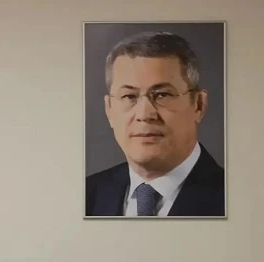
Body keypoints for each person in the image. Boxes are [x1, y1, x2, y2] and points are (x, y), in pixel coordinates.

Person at [86, 31, 225, 217]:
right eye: (129, 96)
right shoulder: (85, 195)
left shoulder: (236, 197)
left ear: (199, 105)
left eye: (162, 95)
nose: (145, 114)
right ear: (109, 109)